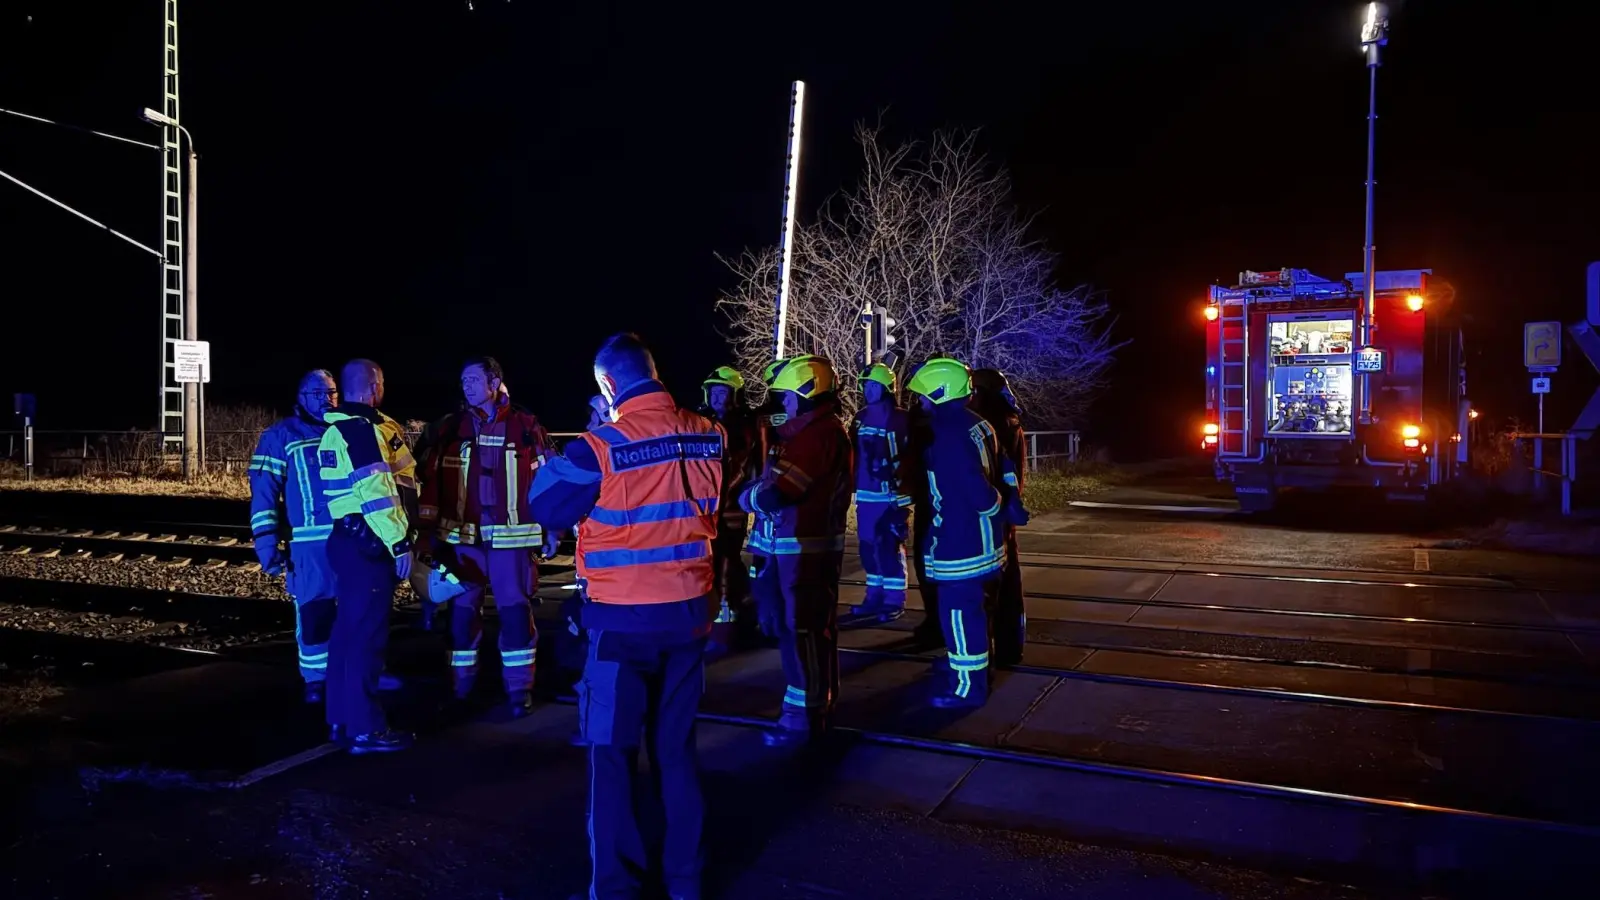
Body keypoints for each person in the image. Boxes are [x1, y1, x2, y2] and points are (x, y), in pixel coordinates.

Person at [527, 333, 724, 900]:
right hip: (688, 618)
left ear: (608, 385)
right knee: (676, 753)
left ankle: (615, 888)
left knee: (611, 758)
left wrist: (594, 432)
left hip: (620, 627)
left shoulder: (599, 447)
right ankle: (686, 881)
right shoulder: (710, 434)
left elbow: (546, 504)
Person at [416, 358, 558, 718]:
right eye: (463, 379)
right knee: (462, 619)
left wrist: (553, 528)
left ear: (495, 382)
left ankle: (518, 692)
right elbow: (431, 486)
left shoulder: (525, 426)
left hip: (512, 542)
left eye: (475, 379)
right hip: (463, 543)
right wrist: (426, 535)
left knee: (514, 616)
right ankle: (460, 690)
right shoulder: (449, 429)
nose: (467, 386)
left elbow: (548, 483)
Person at [739, 354, 852, 747]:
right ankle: (811, 707)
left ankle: (805, 717)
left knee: (802, 631)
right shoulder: (809, 432)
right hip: (798, 548)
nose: (782, 404)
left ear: (806, 393)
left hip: (805, 549)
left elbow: (780, 492)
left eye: (786, 397)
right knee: (803, 630)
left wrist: (748, 497)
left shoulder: (817, 436)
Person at [317, 358, 417, 753]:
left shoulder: (347, 428)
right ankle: (367, 729)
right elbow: (378, 491)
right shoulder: (360, 431)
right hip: (370, 541)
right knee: (366, 638)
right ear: (374, 385)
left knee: (347, 634)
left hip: (348, 539)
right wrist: (400, 541)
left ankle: (342, 719)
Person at [905, 357, 1014, 708]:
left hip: (961, 541)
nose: (920, 403)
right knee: (978, 611)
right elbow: (1004, 468)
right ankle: (969, 666)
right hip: (985, 540)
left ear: (940, 392)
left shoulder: (948, 435)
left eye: (924, 396)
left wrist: (991, 504)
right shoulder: (977, 424)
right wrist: (1003, 507)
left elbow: (972, 487)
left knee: (959, 613)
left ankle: (967, 686)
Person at [248, 370, 342, 703]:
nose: (326, 400)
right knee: (314, 612)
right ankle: (316, 680)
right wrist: (266, 544)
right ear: (300, 397)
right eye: (317, 393)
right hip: (309, 543)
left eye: (331, 392)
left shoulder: (347, 429)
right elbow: (264, 494)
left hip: (353, 539)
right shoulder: (280, 436)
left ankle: (359, 672)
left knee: (358, 612)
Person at [697, 365, 762, 653]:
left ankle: (726, 626)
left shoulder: (741, 427)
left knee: (726, 562)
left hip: (730, 506)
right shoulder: (703, 422)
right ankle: (734, 618)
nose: (717, 397)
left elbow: (738, 468)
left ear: (735, 395)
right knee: (712, 562)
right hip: (708, 506)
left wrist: (717, 497)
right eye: (714, 392)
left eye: (723, 392)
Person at [969, 368, 1030, 667]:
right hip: (1007, 510)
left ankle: (991, 651)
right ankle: (1012, 645)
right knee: (1010, 582)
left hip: (993, 512)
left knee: (991, 586)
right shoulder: (1011, 419)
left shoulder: (988, 424)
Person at [847, 362, 913, 623]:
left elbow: (909, 460)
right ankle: (873, 596)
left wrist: (902, 499)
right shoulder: (860, 417)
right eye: (866, 385)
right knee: (867, 548)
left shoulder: (900, 419)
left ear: (887, 388)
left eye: (874, 385)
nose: (868, 390)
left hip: (890, 496)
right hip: (865, 495)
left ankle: (894, 601)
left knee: (889, 548)